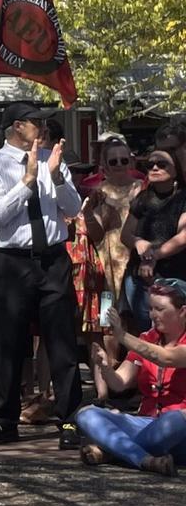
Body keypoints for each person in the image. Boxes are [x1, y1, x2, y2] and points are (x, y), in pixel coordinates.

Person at [0, 101, 83, 450]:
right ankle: (4, 420)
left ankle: (70, 419)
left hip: (53, 259)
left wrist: (54, 176)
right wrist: (27, 181)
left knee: (62, 342)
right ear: (17, 126)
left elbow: (74, 208)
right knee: (8, 343)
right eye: (37, 121)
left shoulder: (54, 157)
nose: (43, 127)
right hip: (13, 262)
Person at [76, 282, 186, 476]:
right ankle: (145, 459)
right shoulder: (147, 338)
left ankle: (113, 451)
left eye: (160, 309)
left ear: (182, 311)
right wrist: (105, 366)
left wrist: (123, 336)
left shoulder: (146, 343)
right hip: (146, 423)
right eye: (151, 308)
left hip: (178, 428)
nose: (153, 315)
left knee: (173, 423)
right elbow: (119, 383)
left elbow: (165, 357)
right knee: (86, 415)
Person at [82, 137, 143, 402]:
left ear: (131, 161)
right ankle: (106, 388)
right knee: (107, 328)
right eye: (113, 161)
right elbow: (94, 235)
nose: (119, 165)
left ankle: (137, 386)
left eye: (124, 160)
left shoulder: (143, 190)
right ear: (104, 165)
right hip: (106, 270)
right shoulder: (99, 192)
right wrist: (91, 212)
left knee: (138, 327)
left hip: (135, 269)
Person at [119, 148, 186, 334]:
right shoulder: (142, 198)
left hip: (175, 276)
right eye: (150, 165)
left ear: (176, 170)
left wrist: (153, 256)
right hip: (140, 277)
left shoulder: (183, 197)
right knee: (147, 331)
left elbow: (183, 237)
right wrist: (138, 241)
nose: (155, 167)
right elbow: (125, 234)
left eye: (161, 164)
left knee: (175, 333)